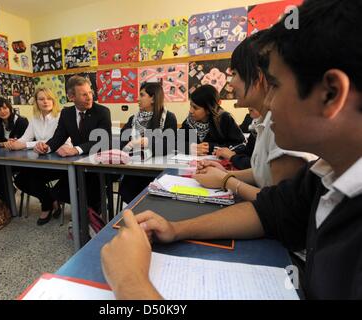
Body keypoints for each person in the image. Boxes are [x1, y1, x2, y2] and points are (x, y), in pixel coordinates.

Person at [101, 0, 362, 300]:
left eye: (274, 86)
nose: (269, 103)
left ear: (331, 94)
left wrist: (130, 283)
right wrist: (175, 228)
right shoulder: (325, 173)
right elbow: (270, 211)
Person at [194, 31, 317, 201]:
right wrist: (225, 173)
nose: (230, 83)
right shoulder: (264, 121)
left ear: (257, 77)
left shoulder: (282, 124)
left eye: (234, 74)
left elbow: (281, 206)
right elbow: (262, 172)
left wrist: (226, 180)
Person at [35, 76, 112, 215]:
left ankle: (91, 214)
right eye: (84, 94)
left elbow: (101, 141)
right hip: (77, 165)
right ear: (71, 97)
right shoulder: (66, 113)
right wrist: (47, 147)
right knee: (58, 192)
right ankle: (83, 214)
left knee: (88, 191)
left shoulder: (102, 111)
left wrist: (75, 150)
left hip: (99, 165)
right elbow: (58, 137)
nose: (89, 97)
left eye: (90, 92)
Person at [5, 88, 69, 225]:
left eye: (48, 98)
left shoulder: (62, 116)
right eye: (41, 99)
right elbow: (24, 139)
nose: (45, 101)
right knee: (20, 179)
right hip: (41, 162)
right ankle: (51, 200)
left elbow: (57, 140)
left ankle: (46, 205)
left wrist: (26, 144)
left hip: (60, 163)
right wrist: (14, 143)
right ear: (36, 102)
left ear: (54, 100)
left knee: (32, 177)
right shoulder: (34, 119)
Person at [119, 82, 177, 203]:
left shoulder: (169, 118)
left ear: (153, 98)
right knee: (128, 191)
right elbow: (123, 141)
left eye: (142, 95)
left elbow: (169, 145)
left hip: (157, 172)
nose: (138, 99)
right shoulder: (133, 119)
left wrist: (145, 142)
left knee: (153, 196)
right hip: (134, 170)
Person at [180, 84, 245, 156]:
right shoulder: (189, 121)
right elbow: (176, 142)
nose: (190, 111)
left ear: (209, 109)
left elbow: (240, 144)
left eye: (195, 108)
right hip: (194, 163)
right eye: (191, 105)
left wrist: (212, 148)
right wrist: (189, 147)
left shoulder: (224, 119)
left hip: (218, 164)